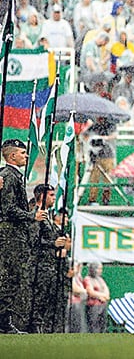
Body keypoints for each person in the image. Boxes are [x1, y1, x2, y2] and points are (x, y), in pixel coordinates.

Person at [0, 139, 46, 334]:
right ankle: (3, 321)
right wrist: (31, 216)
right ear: (12, 156)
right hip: (10, 233)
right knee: (10, 277)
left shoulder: (12, 175)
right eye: (22, 153)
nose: (26, 156)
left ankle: (5, 320)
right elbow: (8, 208)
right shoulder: (8, 176)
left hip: (14, 233)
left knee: (12, 278)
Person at [28, 184, 68, 333]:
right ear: (43, 196)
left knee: (46, 300)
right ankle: (33, 327)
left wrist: (59, 243)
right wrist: (53, 243)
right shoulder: (36, 215)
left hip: (49, 265)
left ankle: (41, 328)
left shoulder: (47, 216)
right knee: (37, 300)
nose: (53, 198)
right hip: (39, 265)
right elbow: (32, 240)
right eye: (51, 195)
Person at [84, 262, 110, 333]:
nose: (101, 270)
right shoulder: (87, 279)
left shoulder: (100, 279)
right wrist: (101, 296)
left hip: (102, 305)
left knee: (103, 325)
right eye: (99, 269)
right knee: (93, 325)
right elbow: (90, 292)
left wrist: (104, 296)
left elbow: (106, 290)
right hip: (93, 306)